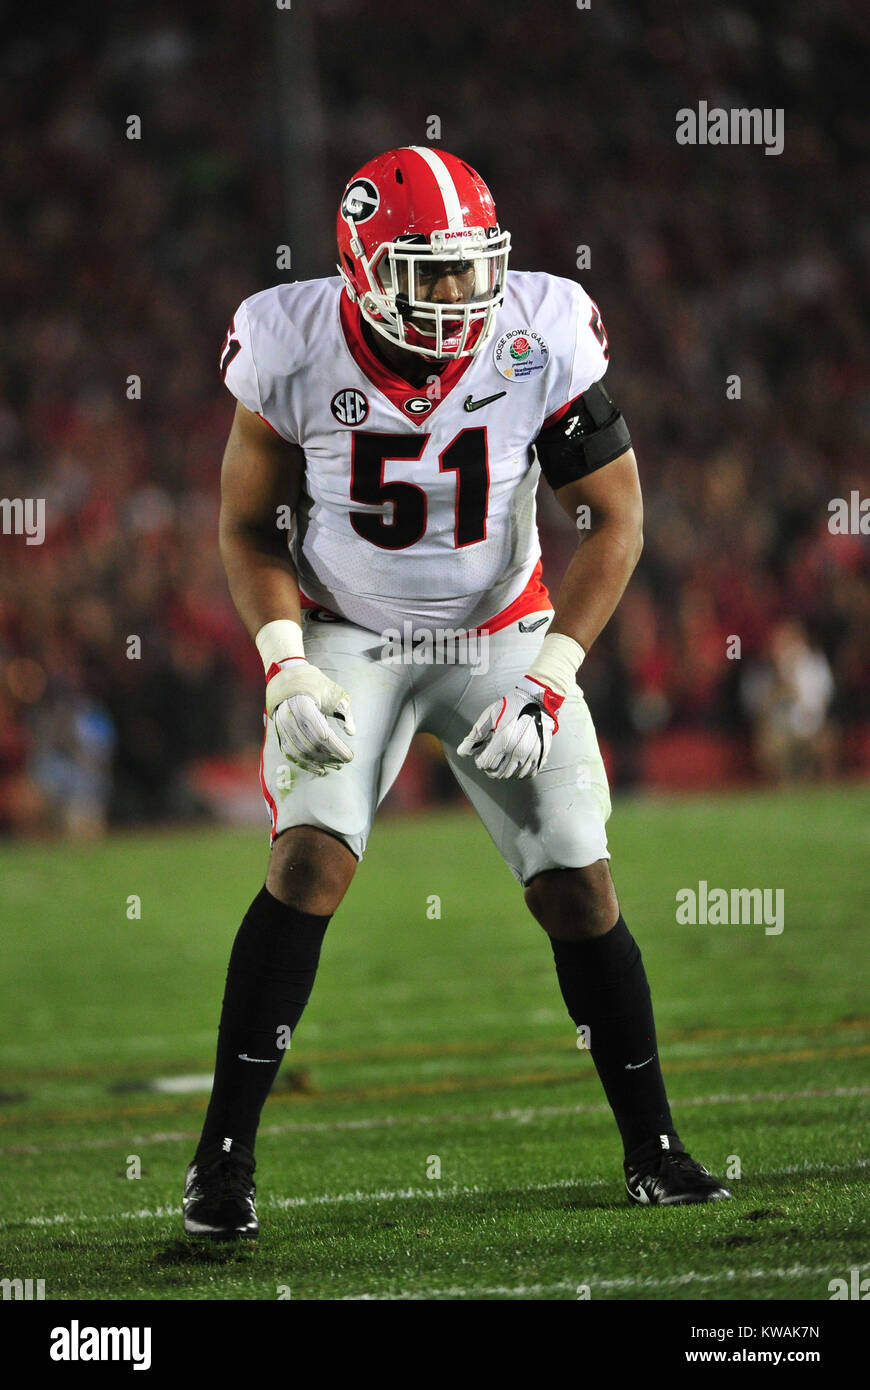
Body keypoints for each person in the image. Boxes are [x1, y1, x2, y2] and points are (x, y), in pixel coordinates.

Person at [183, 146, 730, 1240]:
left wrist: (553, 675)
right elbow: (248, 527)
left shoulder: (543, 328)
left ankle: (655, 1147)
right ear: (361, 269)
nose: (461, 296)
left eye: (473, 268)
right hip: (353, 636)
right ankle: (220, 1164)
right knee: (307, 859)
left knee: (578, 877)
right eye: (429, 273)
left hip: (503, 630)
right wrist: (285, 656)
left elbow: (615, 518)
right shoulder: (290, 343)